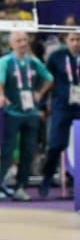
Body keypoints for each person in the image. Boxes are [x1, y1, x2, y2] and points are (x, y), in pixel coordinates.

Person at [0, 30, 52, 201]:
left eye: (25, 40)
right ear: (11, 44)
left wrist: (40, 93)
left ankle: (20, 186)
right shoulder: (5, 61)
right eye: (18, 40)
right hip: (11, 112)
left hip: (31, 112)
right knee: (7, 150)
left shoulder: (34, 61)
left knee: (28, 151)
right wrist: (0, 95)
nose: (23, 43)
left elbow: (49, 78)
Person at [41, 29, 80, 197]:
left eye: (79, 39)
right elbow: (47, 79)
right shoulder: (56, 57)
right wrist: (43, 104)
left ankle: (74, 181)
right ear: (66, 40)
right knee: (56, 144)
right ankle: (47, 178)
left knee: (78, 147)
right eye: (72, 39)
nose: (76, 43)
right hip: (62, 106)